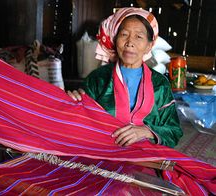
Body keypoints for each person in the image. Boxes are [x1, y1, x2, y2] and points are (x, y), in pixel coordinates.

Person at [68, 7, 183, 148]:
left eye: (138, 36)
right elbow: (81, 122)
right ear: (115, 40)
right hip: (103, 154)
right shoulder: (98, 78)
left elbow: (174, 131)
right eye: (124, 34)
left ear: (149, 46)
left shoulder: (160, 84)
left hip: (146, 159)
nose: (130, 42)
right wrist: (74, 102)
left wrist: (147, 132)